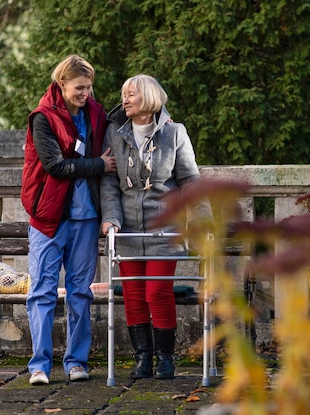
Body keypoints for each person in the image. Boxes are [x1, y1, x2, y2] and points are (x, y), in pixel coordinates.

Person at [100, 74, 211, 379]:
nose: (125, 100)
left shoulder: (175, 133)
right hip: (127, 230)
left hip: (166, 230)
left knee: (157, 292)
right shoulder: (114, 133)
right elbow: (109, 181)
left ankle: (165, 358)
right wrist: (110, 218)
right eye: (124, 94)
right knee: (134, 294)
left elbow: (190, 180)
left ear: (148, 98)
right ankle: (142, 358)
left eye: (131, 94)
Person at [20, 55, 116, 385]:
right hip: (48, 217)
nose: (85, 93)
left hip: (87, 217)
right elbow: (56, 167)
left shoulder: (97, 114)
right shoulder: (42, 118)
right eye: (79, 87)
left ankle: (76, 362)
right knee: (42, 292)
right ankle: (39, 366)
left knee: (80, 292)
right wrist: (99, 165)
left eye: (89, 87)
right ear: (62, 84)